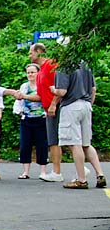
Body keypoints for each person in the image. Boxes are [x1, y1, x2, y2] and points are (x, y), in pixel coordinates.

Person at [51, 60, 107, 189]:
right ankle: (100, 174)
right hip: (86, 105)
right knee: (86, 143)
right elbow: (93, 89)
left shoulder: (64, 66)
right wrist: (89, 105)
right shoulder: (86, 65)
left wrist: (53, 89)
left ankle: (81, 179)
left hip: (71, 105)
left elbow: (62, 91)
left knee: (75, 143)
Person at [27, 42, 62, 181]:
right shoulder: (41, 71)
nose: (29, 55)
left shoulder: (50, 64)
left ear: (39, 51)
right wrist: (23, 96)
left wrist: (54, 104)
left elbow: (60, 86)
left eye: (31, 52)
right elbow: (40, 96)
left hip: (56, 108)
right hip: (47, 109)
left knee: (58, 140)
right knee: (53, 141)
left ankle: (57, 172)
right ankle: (59, 170)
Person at [15, 63, 48, 179]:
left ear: (38, 73)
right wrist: (19, 112)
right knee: (25, 145)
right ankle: (25, 172)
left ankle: (43, 171)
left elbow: (44, 98)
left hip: (41, 119)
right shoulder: (24, 86)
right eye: (28, 72)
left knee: (42, 145)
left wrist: (46, 113)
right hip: (27, 119)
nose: (30, 74)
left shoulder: (42, 85)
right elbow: (18, 100)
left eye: (33, 72)